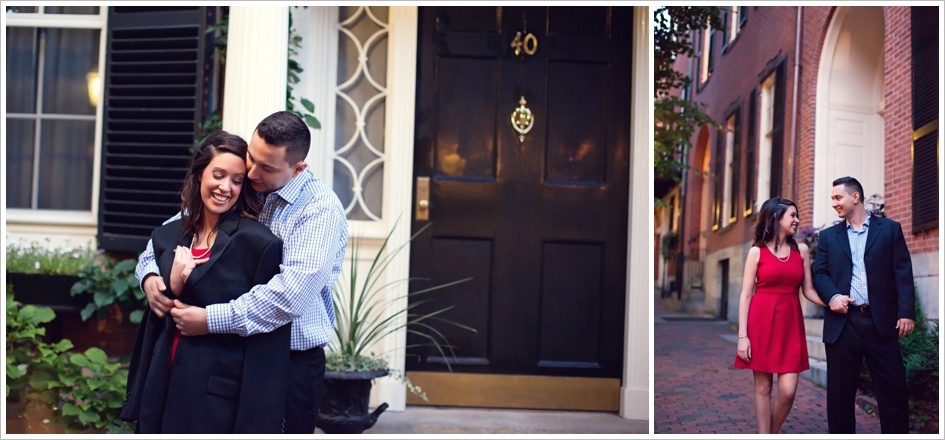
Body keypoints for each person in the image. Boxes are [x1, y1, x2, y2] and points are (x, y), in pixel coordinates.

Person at [134, 111, 348, 434]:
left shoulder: (319, 210)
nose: (250, 172)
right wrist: (149, 275)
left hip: (290, 363)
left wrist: (209, 319)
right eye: (252, 158)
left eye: (266, 167)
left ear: (298, 168)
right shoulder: (247, 185)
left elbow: (288, 297)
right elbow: (173, 232)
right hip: (233, 357)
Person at [120, 130, 290, 432]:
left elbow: (267, 345)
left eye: (237, 180)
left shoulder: (258, 244)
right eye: (218, 175)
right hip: (161, 381)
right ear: (199, 174)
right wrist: (162, 280)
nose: (225, 187)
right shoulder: (168, 236)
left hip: (216, 402)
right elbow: (160, 305)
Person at [813, 176, 914, 434]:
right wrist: (833, 296)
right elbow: (820, 274)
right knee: (839, 396)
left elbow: (901, 272)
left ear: (855, 196)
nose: (834, 202)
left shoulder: (890, 229)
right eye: (832, 198)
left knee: (894, 391)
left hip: (880, 321)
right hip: (842, 324)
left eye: (838, 197)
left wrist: (905, 312)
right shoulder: (827, 237)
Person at [734, 198, 827, 434]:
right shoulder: (756, 252)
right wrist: (743, 336)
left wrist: (831, 302)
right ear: (776, 217)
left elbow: (808, 290)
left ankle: (771, 433)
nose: (797, 220)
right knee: (763, 388)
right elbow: (745, 295)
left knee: (787, 391)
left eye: (797, 215)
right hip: (761, 322)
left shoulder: (802, 250)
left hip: (790, 324)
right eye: (792, 215)